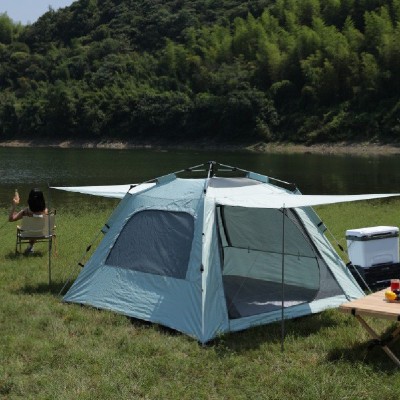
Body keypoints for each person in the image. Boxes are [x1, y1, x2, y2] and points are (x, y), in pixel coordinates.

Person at [9, 188, 48, 253]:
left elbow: (11, 219)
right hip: (42, 233)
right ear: (42, 199)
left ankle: (30, 247)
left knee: (32, 229)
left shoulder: (25, 211)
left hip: (27, 234)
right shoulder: (45, 211)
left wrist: (14, 205)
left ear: (30, 199)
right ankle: (30, 247)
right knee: (35, 228)